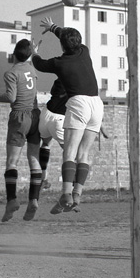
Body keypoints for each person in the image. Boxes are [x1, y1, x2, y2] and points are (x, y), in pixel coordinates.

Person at [32, 17, 103, 214]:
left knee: (69, 152)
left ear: (62, 46)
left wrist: (34, 53)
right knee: (84, 153)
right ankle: (77, 194)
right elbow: (66, 36)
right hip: (97, 104)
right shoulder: (84, 51)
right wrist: (53, 28)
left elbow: (39, 64)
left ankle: (65, 195)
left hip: (79, 103)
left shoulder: (59, 63)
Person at [0, 39, 43, 222]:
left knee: (12, 162)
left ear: (13, 54)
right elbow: (28, 61)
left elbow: (11, 97)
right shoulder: (31, 69)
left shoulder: (11, 73)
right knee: (34, 159)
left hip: (20, 117)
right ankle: (34, 200)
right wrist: (34, 51)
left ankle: (12, 200)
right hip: (35, 115)